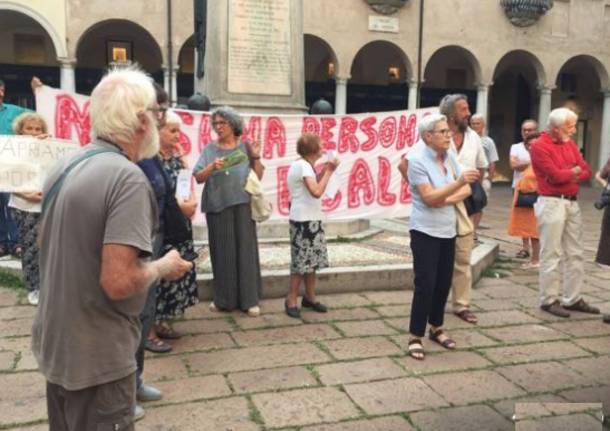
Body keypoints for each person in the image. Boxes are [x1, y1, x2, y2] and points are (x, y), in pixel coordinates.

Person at [31, 67, 192, 430]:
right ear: (140, 121)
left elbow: (47, 241)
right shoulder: (126, 178)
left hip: (58, 344)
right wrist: (162, 266)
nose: (158, 120)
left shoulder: (66, 163)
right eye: (156, 113)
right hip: (97, 356)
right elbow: (118, 281)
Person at [406, 114, 480, 360]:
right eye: (442, 132)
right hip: (424, 230)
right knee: (425, 284)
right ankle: (415, 335)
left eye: (448, 131)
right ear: (428, 136)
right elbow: (428, 198)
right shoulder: (416, 160)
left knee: (442, 283)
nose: (449, 136)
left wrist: (444, 199)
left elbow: (467, 189)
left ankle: (436, 328)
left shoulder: (450, 157)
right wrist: (455, 184)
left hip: (448, 228)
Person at [193, 106, 264, 317]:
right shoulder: (210, 150)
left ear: (233, 125)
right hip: (217, 205)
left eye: (222, 123)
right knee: (222, 252)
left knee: (246, 251)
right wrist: (212, 167)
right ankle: (224, 299)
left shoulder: (245, 147)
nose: (218, 127)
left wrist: (257, 157)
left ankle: (249, 300)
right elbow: (198, 177)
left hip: (243, 203)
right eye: (215, 124)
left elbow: (257, 176)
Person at [530, 107, 599, 318]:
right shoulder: (539, 146)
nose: (574, 131)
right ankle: (549, 300)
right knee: (551, 252)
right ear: (556, 128)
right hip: (551, 203)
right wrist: (572, 172)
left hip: (571, 202)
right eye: (569, 127)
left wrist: (570, 173)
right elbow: (554, 175)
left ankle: (573, 298)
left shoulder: (568, 143)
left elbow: (586, 170)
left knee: (576, 252)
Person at [439, 94, 488, 324]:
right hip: (439, 201)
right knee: (437, 258)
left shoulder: (474, 138)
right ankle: (434, 302)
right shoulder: (437, 135)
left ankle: (461, 304)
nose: (468, 113)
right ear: (451, 115)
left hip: (464, 202)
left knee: (463, 255)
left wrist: (473, 197)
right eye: (463, 109)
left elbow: (481, 168)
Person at [284, 133, 340, 318]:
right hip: (304, 220)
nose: (324, 147)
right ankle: (291, 299)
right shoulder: (303, 166)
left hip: (309, 218)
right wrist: (330, 171)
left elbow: (313, 183)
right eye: (320, 144)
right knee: (301, 263)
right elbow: (316, 191)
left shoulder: (303, 165)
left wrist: (325, 170)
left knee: (311, 262)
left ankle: (310, 296)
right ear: (314, 149)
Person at [154, 110, 199, 335]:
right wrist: (181, 206)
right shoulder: (151, 160)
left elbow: (185, 187)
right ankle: (153, 324)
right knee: (162, 272)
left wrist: (190, 203)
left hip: (180, 225)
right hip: (163, 226)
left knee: (177, 271)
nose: (177, 136)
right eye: (172, 131)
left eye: (179, 131)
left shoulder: (176, 158)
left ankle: (165, 321)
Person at [8, 113, 49, 306]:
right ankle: (33, 287)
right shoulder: (12, 149)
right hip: (24, 206)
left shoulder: (48, 147)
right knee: (31, 247)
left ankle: (49, 285)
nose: (33, 133)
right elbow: (6, 177)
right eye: (29, 129)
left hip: (47, 204)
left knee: (49, 247)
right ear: (20, 130)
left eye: (37, 129)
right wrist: (26, 195)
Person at [0, 78, 38, 258]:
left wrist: (39, 92)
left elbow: (38, 117)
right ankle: (1, 243)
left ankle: (15, 244)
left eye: (0, 88)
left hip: (10, 169)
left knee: (10, 203)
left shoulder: (15, 112)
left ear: (3, 91)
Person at [507, 133, 540, 269]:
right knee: (531, 231)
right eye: (529, 145)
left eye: (535, 145)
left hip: (535, 201)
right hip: (527, 200)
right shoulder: (532, 161)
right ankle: (534, 259)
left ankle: (536, 260)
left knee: (535, 232)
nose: (532, 147)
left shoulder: (541, 161)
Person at [469, 113, 499, 203]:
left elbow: (492, 161)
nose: (475, 126)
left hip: (483, 176)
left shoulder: (489, 142)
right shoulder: (466, 139)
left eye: (478, 123)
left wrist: (489, 178)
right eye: (473, 123)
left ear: (483, 125)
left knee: (480, 204)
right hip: (468, 175)